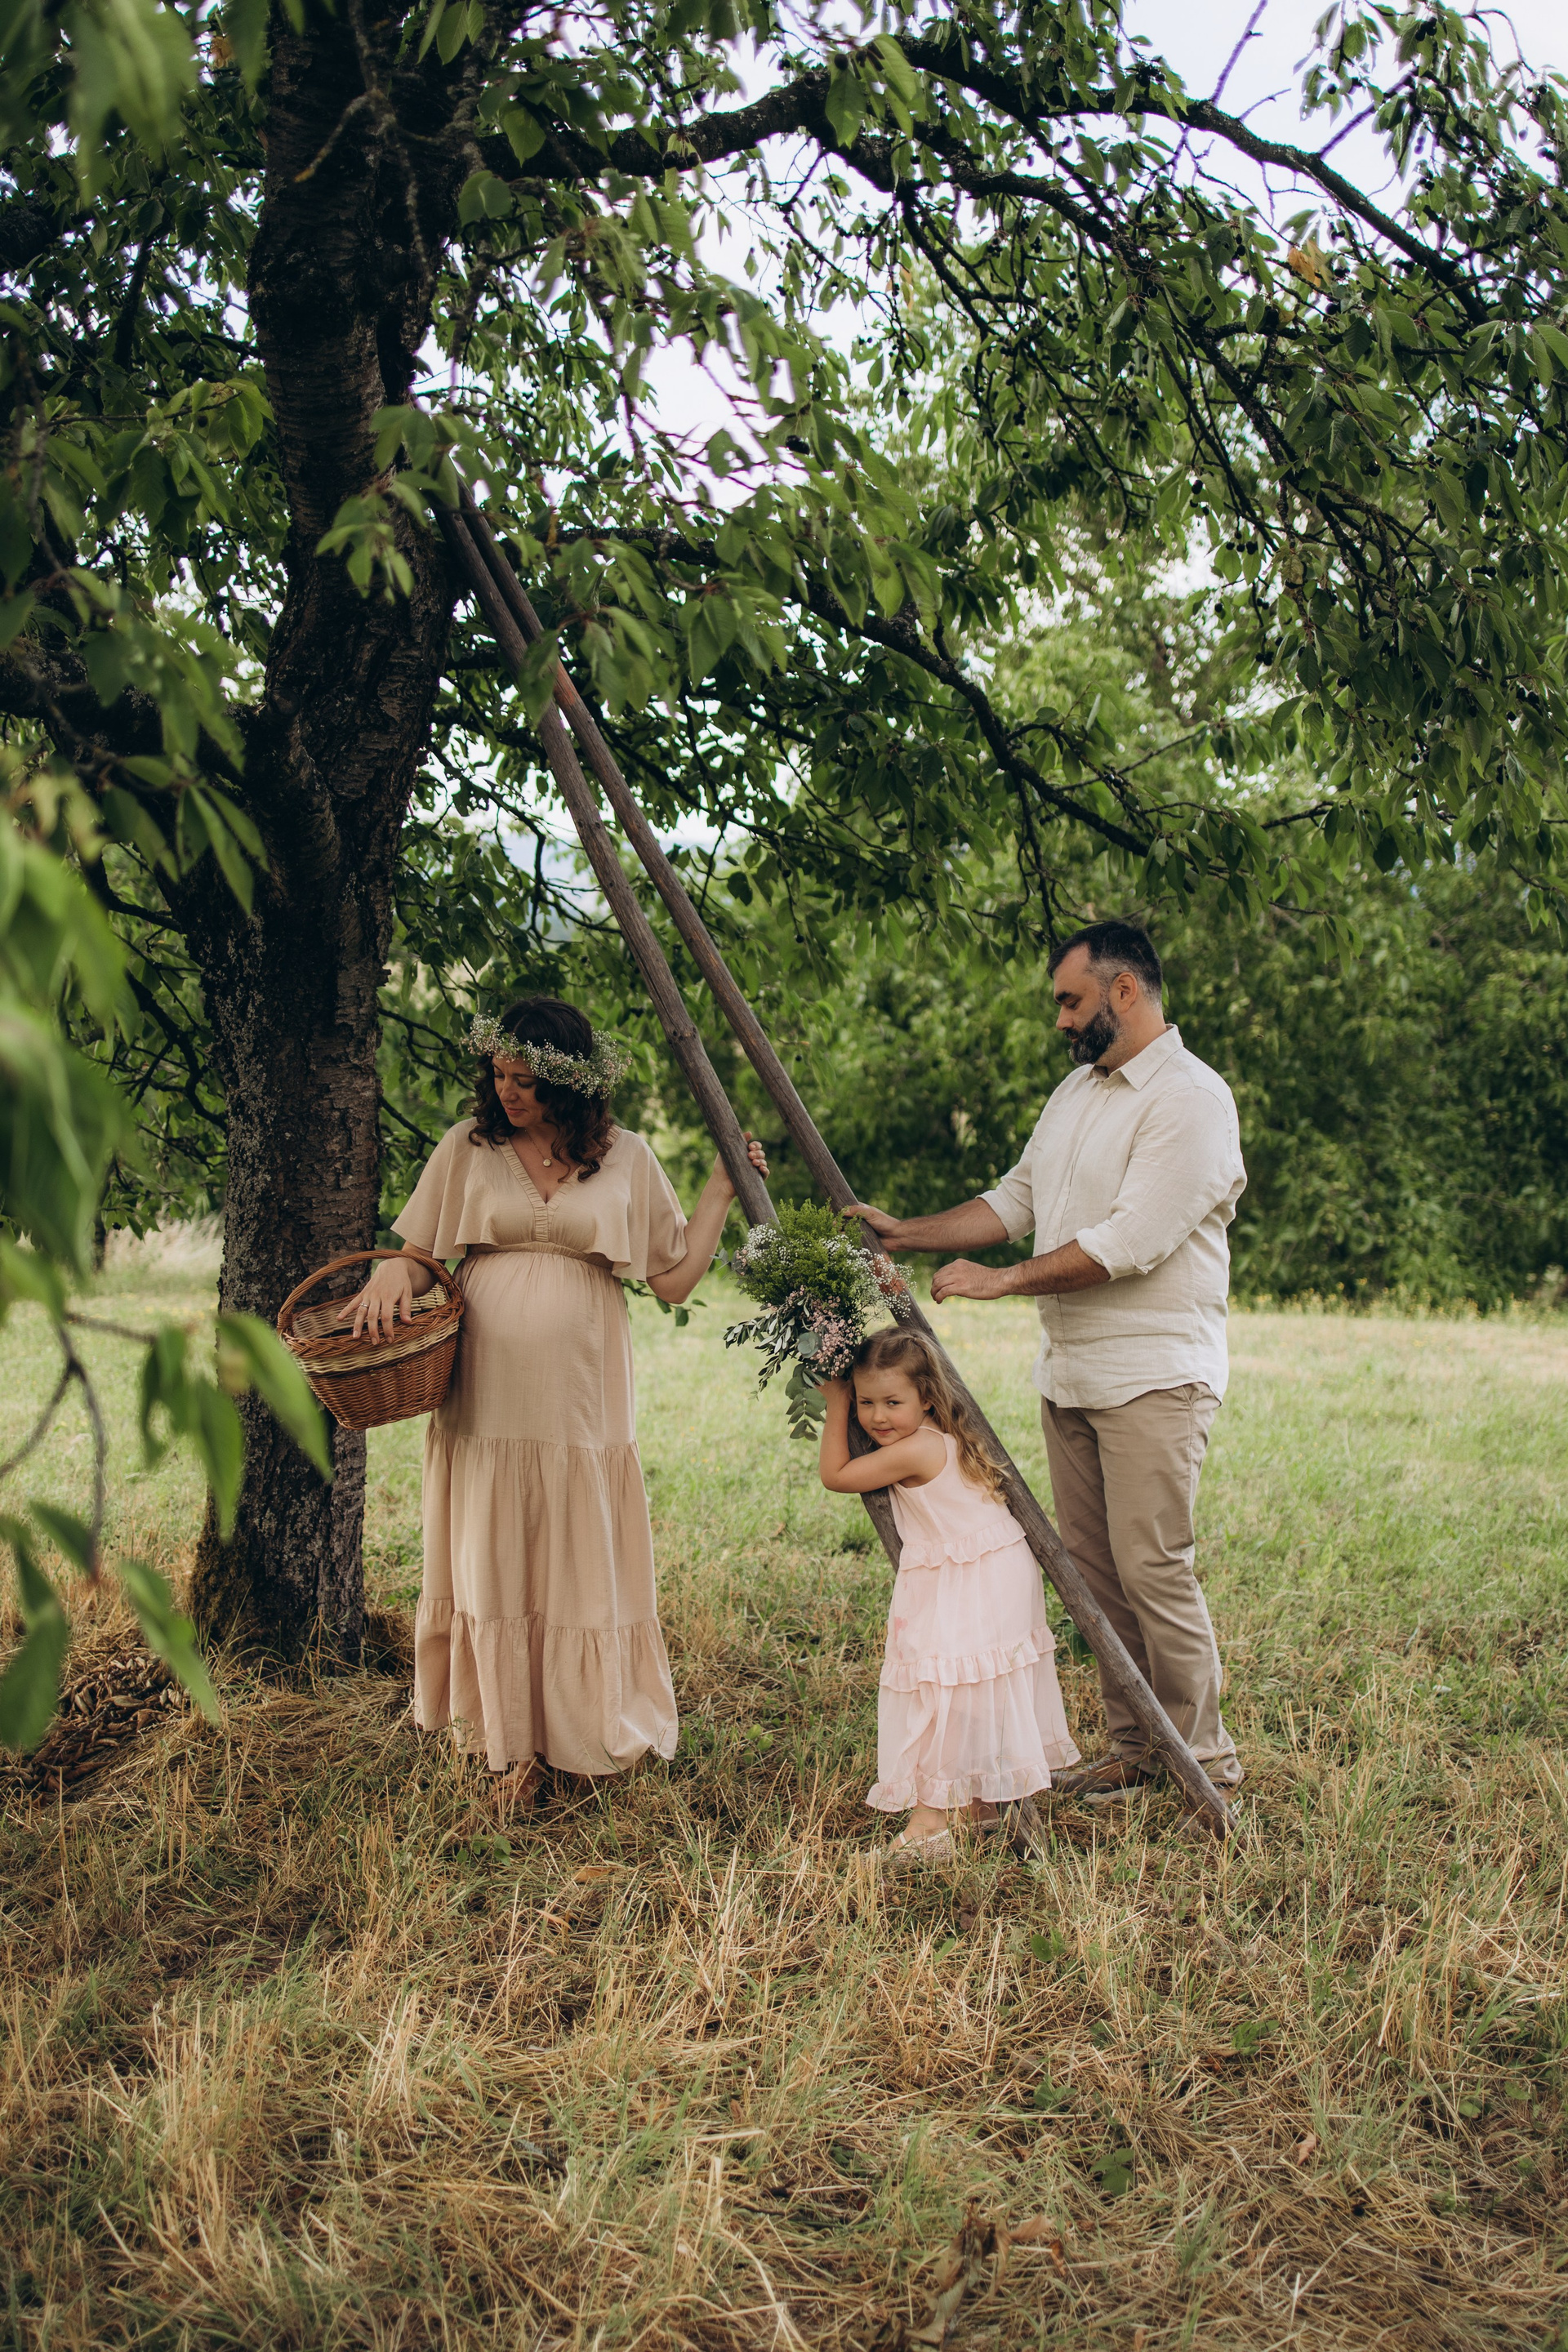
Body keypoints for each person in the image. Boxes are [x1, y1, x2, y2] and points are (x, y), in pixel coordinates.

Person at [851, 920, 1247, 1807]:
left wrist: (1001, 1282)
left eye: (1072, 1000)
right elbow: (1016, 1200)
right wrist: (907, 1233)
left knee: (1152, 1569)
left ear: (1124, 990)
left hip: (1154, 1376)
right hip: (1069, 1374)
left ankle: (1206, 1763)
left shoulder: (1191, 1098)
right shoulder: (1076, 1092)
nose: (1061, 1019)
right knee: (1094, 1574)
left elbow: (1130, 1242)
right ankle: (1135, 1749)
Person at [343, 996, 767, 1804]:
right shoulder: (468, 1147)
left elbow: (674, 1281)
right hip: (485, 1392)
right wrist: (394, 1271)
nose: (508, 1092)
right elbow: (418, 1253)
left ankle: (579, 1733)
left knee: (575, 1541)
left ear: (569, 1083)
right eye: (500, 1075)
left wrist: (720, 1190)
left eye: (527, 1081)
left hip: (581, 1391)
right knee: (493, 1540)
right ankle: (507, 1744)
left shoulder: (627, 1157)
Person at [819, 1325, 1079, 1868]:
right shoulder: (941, 1434)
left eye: (893, 1402)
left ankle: (929, 1825)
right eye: (865, 1402)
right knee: (968, 1688)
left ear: (927, 1399)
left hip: (973, 1576)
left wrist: (836, 1404)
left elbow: (836, 1476)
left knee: (942, 1691)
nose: (877, 1417)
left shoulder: (915, 1448)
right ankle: (976, 1806)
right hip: (990, 1569)